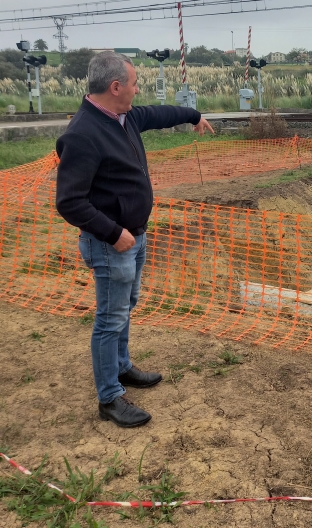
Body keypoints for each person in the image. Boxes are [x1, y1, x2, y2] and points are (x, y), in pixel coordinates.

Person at [56, 51, 214, 428]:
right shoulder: (83, 134)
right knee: (110, 318)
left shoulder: (123, 117)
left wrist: (193, 115)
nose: (137, 89)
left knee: (125, 306)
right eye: (134, 83)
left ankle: (122, 367)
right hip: (112, 244)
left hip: (133, 238)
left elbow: (159, 113)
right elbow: (69, 201)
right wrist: (114, 233)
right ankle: (109, 397)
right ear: (115, 87)